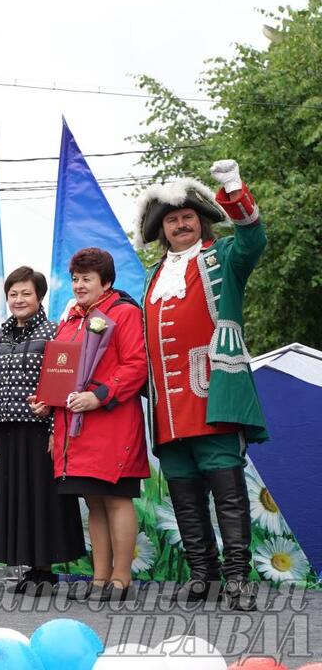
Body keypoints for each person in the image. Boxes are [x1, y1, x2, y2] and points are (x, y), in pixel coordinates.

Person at [134, 160, 267, 611]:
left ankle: (236, 578)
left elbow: (253, 239)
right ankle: (203, 576)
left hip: (212, 394)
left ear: (202, 221)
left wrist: (233, 186)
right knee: (185, 496)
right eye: (172, 220)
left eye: (187, 217)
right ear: (162, 231)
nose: (180, 224)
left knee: (229, 494)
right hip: (168, 407)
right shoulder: (152, 279)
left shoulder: (222, 258)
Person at [33, 247, 148, 603]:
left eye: (87, 279)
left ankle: (122, 577)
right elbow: (60, 372)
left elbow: (136, 365)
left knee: (116, 497)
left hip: (111, 420)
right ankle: (99, 578)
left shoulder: (125, 313)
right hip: (75, 428)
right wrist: (47, 401)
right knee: (94, 502)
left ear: (107, 282)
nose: (79, 285)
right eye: (75, 279)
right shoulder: (70, 320)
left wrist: (99, 395)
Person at [0, 266, 84, 596]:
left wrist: (57, 429)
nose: (19, 299)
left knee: (44, 500)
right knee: (17, 500)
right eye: (13, 294)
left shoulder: (56, 333)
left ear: (39, 297)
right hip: (6, 430)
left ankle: (45, 570)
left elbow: (64, 385)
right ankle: (27, 568)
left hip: (42, 431)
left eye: (26, 293)